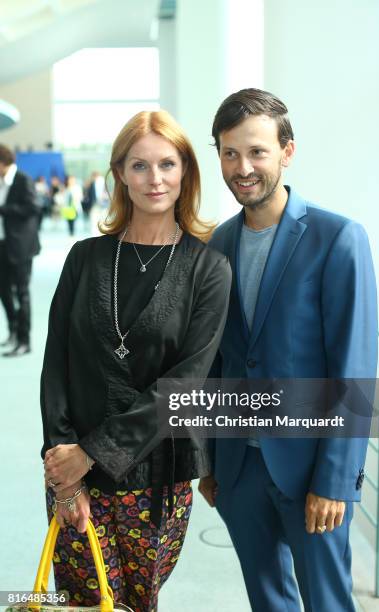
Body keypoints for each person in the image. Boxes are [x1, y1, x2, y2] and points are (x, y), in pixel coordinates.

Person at [41, 109, 231, 611]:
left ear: (185, 172)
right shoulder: (84, 258)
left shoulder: (209, 269)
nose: (155, 179)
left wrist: (94, 452)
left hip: (158, 477)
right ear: (120, 173)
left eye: (167, 164)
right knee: (81, 600)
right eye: (140, 166)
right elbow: (55, 363)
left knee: (135, 602)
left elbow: (187, 384)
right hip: (74, 474)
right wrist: (65, 465)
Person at [199, 89, 378, 612]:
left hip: (309, 470)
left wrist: (335, 481)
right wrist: (208, 460)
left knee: (327, 603)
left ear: (287, 151)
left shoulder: (338, 238)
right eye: (230, 153)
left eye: (256, 151)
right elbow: (217, 364)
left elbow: (354, 371)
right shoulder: (219, 245)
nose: (243, 167)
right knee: (268, 602)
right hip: (239, 471)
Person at [0, 144, 40, 356]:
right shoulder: (0, 182)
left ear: (3, 163)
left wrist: (4, 210)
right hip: (2, 244)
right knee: (3, 290)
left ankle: (25, 341)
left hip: (21, 247)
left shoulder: (22, 180)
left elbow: (34, 207)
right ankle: (14, 331)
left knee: (22, 293)